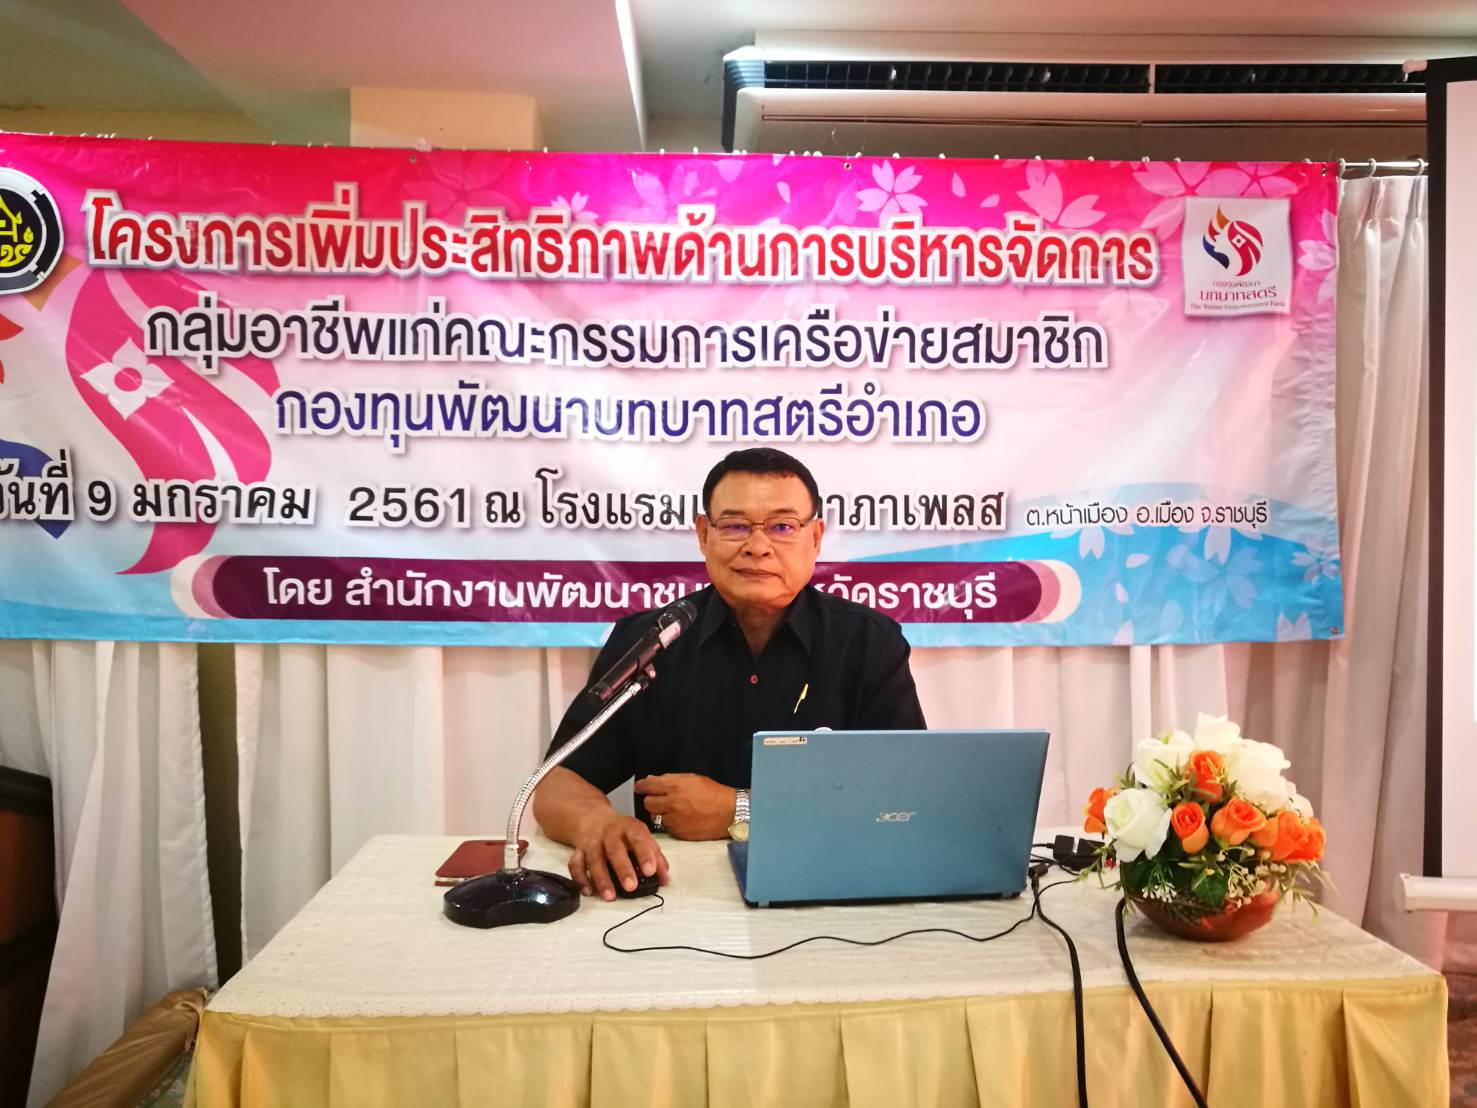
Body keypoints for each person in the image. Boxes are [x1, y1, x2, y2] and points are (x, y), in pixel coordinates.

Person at [532, 448, 926, 899]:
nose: (757, 547)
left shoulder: (868, 643)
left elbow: (905, 796)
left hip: (827, 886)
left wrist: (739, 809)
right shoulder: (650, 642)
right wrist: (596, 823)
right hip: (672, 899)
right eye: (735, 526)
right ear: (704, 534)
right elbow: (556, 782)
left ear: (815, 537)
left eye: (782, 527)